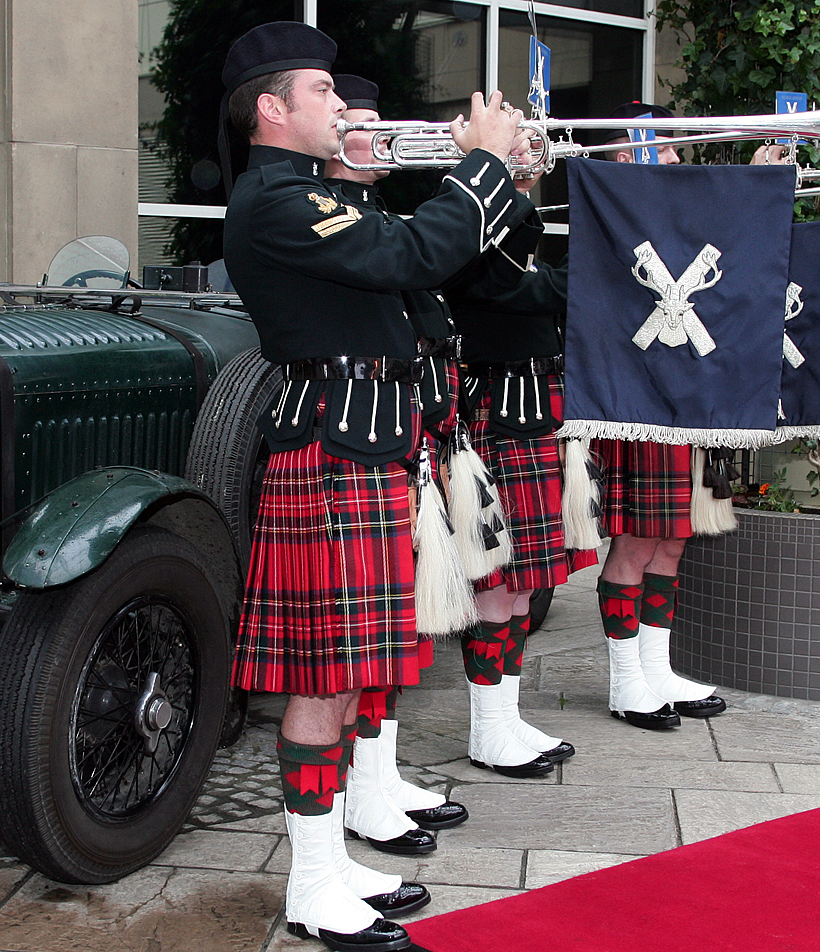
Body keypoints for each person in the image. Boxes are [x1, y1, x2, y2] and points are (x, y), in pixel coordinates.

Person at [221, 23, 533, 951]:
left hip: (372, 443)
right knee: (326, 680)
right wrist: (482, 165)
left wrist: (496, 178)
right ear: (272, 108)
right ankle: (312, 885)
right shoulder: (274, 201)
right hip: (333, 451)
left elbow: (417, 256)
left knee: (357, 672)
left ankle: (334, 861)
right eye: (321, 90)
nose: (340, 104)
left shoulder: (319, 195)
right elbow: (407, 258)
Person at [318, 73, 471, 852]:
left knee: (396, 630)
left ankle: (377, 777)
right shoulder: (327, 215)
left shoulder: (376, 214)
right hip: (360, 438)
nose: (381, 138)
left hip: (406, 436)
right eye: (363, 123)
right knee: (366, 638)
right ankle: (360, 791)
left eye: (385, 124)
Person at [440, 166, 596, 772]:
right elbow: (520, 292)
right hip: (498, 417)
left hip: (534, 413)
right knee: (496, 582)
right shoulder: (468, 225)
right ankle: (487, 730)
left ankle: (505, 717)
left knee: (526, 581)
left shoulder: (513, 231)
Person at [589, 102, 731, 728]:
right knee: (638, 538)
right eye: (665, 146)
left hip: (687, 394)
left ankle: (656, 668)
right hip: (638, 396)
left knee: (673, 537)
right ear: (628, 154)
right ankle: (626, 682)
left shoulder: (678, 210)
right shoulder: (609, 215)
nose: (676, 157)